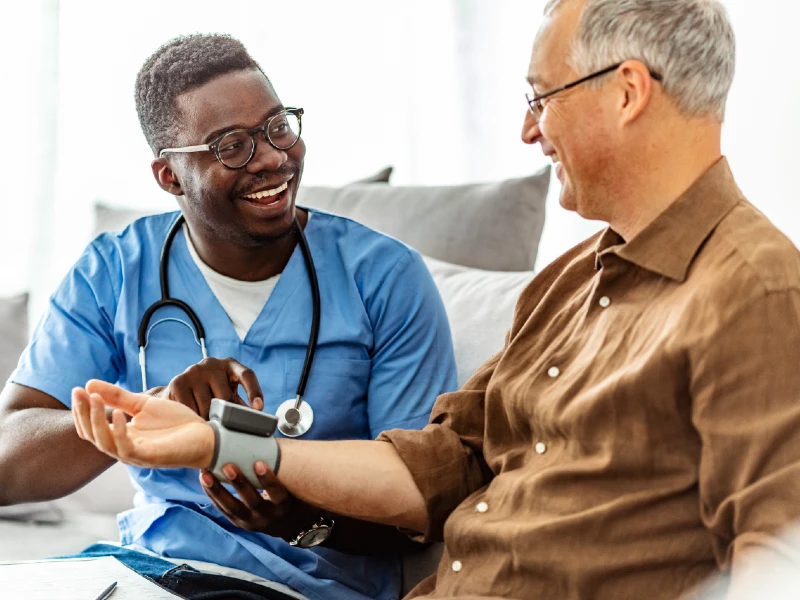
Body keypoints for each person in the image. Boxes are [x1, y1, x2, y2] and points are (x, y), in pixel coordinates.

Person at [72, 1, 800, 599]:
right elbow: (440, 465)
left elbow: (777, 562)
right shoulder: (573, 281)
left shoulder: (754, 291)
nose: (527, 130)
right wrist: (218, 442)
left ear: (628, 91)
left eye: (540, 98)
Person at [0, 34, 457, 600]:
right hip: (142, 569)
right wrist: (152, 413)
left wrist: (297, 518)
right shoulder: (115, 270)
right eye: (230, 146)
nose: (270, 158)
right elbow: (7, 458)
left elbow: (424, 499)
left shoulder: (383, 277)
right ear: (169, 177)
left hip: (301, 588)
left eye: (278, 127)